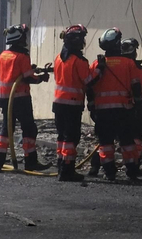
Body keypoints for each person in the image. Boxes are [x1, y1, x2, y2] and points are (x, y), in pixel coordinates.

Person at [84, 28, 142, 181]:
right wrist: (138, 106)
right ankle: (132, 171)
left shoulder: (97, 64)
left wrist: (91, 106)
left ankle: (109, 172)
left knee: (105, 143)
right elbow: (136, 86)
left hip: (102, 112)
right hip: (124, 110)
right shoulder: (129, 63)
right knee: (127, 142)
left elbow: (89, 87)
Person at [0, 24, 49, 172]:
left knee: (7, 129)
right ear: (19, 38)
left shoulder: (3, 55)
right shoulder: (22, 56)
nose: (25, 39)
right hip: (21, 98)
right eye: (24, 36)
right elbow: (28, 78)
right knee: (29, 129)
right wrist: (41, 78)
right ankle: (31, 162)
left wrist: (30, 68)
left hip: (5, 98)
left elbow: (13, 73)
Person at [50, 25, 90, 182]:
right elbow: (88, 80)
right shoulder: (79, 61)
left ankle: (61, 165)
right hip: (72, 104)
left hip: (58, 103)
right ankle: (67, 170)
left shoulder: (58, 58)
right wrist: (99, 70)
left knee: (62, 136)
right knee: (71, 137)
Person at [119, 38, 142, 179]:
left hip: (119, 108)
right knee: (136, 138)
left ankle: (97, 166)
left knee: (109, 139)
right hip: (137, 108)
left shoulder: (116, 66)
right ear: (133, 51)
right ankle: (135, 165)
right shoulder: (135, 68)